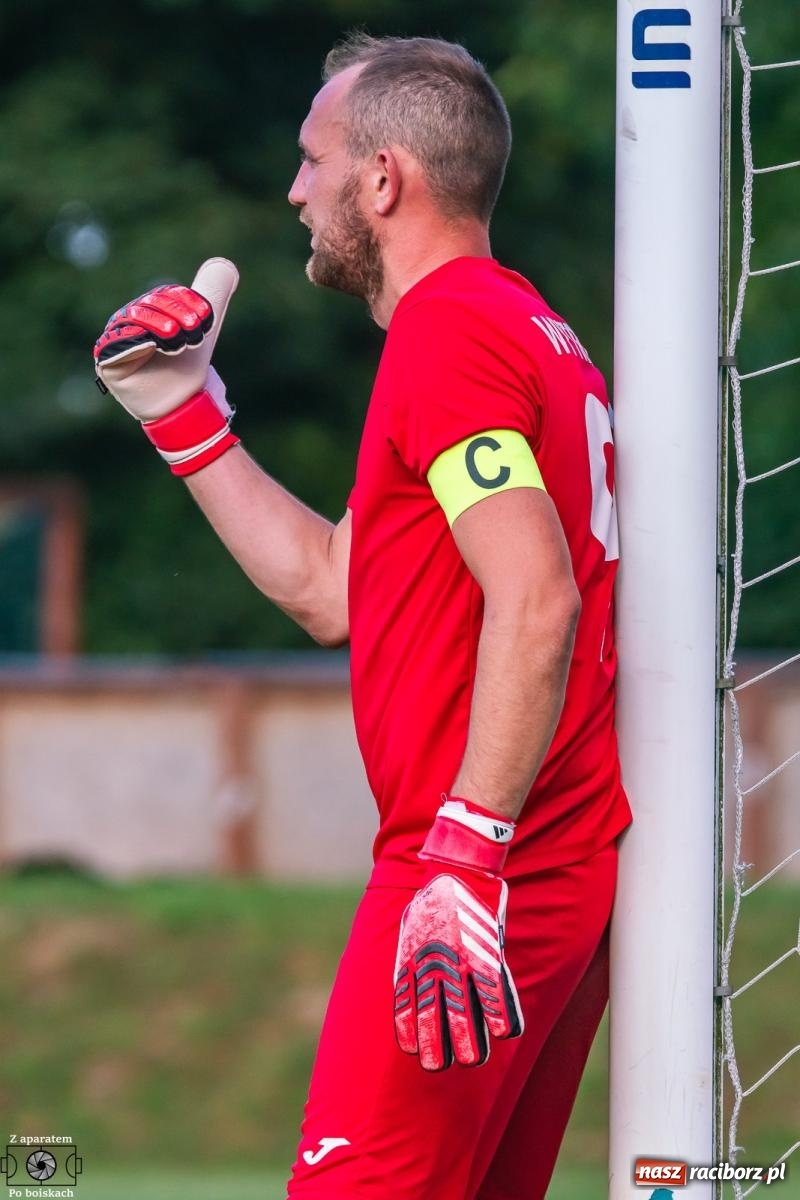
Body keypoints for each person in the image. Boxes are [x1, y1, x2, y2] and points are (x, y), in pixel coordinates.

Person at [93, 33, 631, 1200]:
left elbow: (533, 596)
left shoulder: (450, 332)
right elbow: (334, 589)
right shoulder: (514, 326)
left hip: (484, 869)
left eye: (312, 159)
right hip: (527, 868)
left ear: (382, 180)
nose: (294, 191)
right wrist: (182, 415)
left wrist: (462, 855)